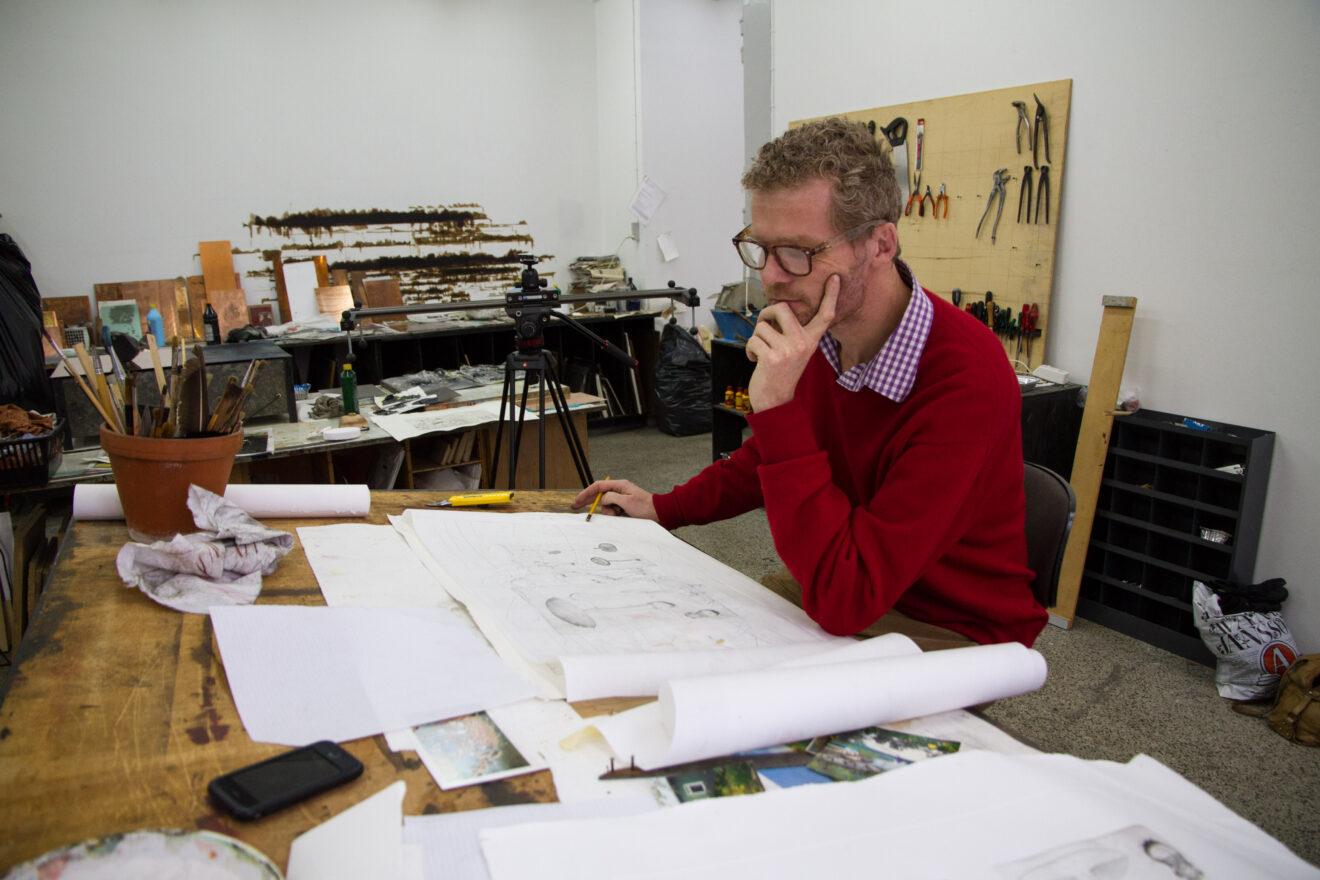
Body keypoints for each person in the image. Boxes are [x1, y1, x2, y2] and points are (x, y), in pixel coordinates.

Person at [572, 117, 1046, 650]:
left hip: (950, 625)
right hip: (842, 576)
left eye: (799, 251)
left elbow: (847, 597)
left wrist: (774, 406)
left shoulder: (965, 377)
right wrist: (666, 508)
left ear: (881, 244)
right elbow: (769, 462)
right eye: (761, 248)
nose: (771, 275)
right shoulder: (823, 328)